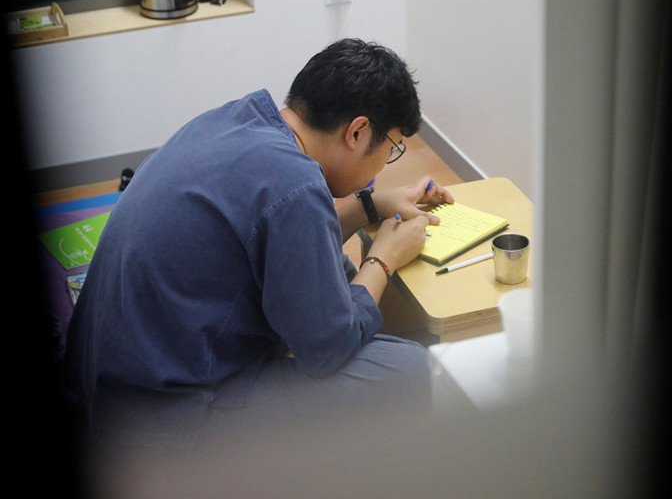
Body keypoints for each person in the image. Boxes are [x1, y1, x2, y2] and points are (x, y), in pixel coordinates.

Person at [63, 39, 455, 461]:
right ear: (357, 131)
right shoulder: (295, 183)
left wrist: (370, 205)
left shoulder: (237, 119)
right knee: (408, 370)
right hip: (157, 424)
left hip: (99, 385)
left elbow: (277, 228)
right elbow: (327, 349)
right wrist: (383, 258)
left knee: (344, 285)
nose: (384, 166)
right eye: (392, 150)